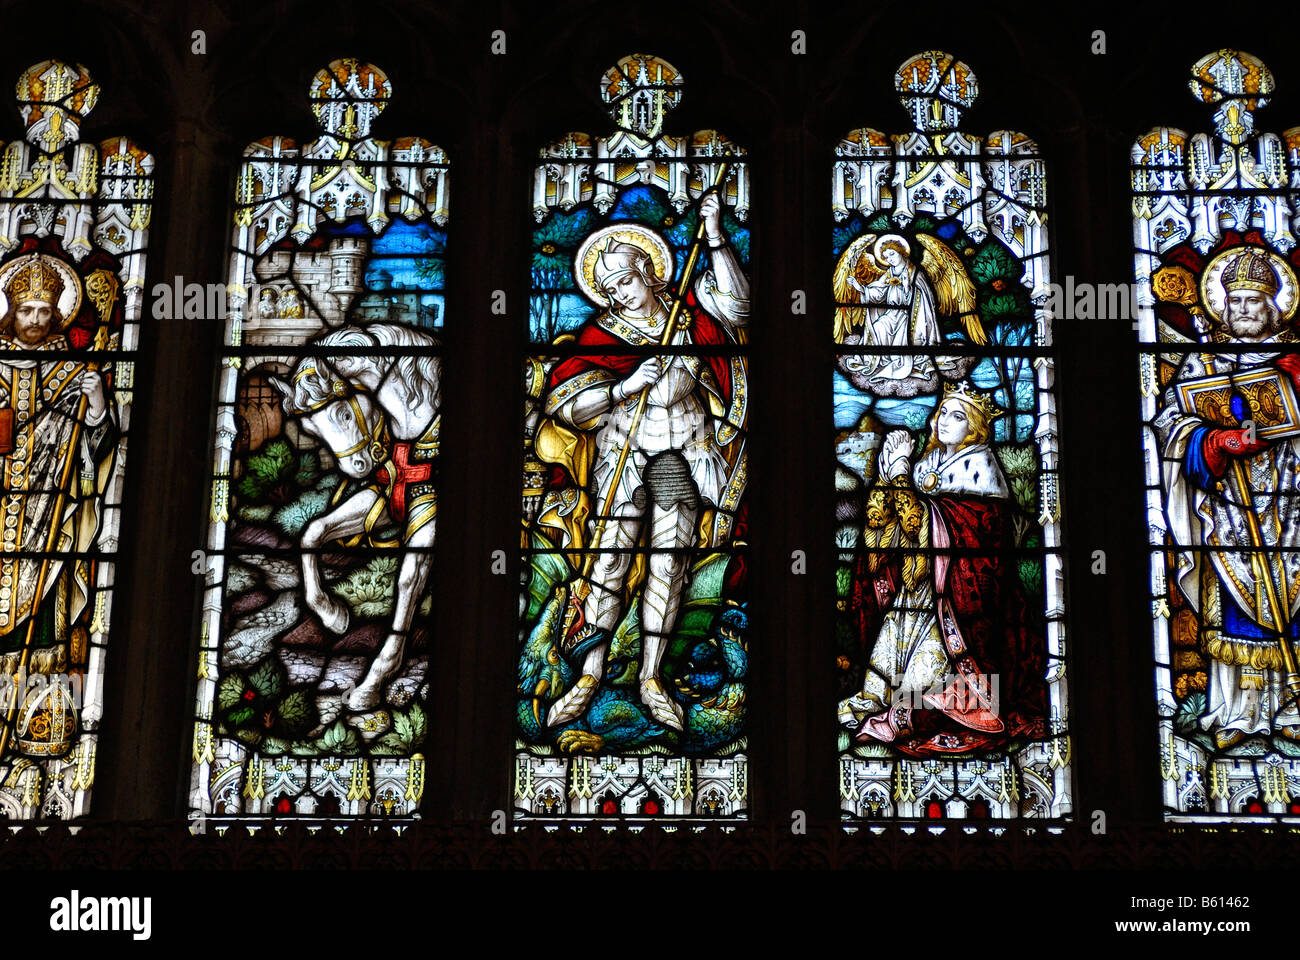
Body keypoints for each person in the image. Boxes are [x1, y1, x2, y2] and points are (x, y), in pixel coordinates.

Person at [539, 193, 748, 731]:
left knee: (667, 565)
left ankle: (650, 677)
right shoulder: (600, 336)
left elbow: (744, 306)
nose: (618, 295)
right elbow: (566, 404)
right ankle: (589, 675)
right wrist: (626, 385)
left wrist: (716, 235)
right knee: (608, 563)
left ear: (652, 271)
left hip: (685, 451)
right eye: (608, 289)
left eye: (626, 280)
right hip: (623, 454)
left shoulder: (692, 314)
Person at [838, 382, 1046, 755]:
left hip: (955, 601)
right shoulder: (928, 465)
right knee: (883, 674)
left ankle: (907, 717)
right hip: (916, 590)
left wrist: (900, 478)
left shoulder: (981, 470)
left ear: (977, 429)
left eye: (958, 415)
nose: (944, 421)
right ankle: (874, 705)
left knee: (925, 683)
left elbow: (937, 525)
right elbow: (889, 522)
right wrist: (887, 481)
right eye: (942, 412)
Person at [1154, 248, 1300, 747]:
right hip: (1228, 507)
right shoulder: (1203, 360)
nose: (1241, 310)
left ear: (1274, 308)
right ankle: (1239, 713)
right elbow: (1173, 427)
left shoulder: (1295, 358)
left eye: (1253, 302)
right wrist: (1219, 442)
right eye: (1233, 301)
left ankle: (1290, 709)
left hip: (1291, 502)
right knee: (1235, 607)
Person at [0, 253, 114, 667]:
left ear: (57, 316)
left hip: (49, 509)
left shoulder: (71, 372)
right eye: (26, 310)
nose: (34, 319)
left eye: (44, 310)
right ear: (11, 312)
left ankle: (37, 676)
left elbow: (98, 450)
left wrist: (97, 402)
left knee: (47, 584)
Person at [842, 236, 941, 386]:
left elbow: (924, 297)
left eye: (892, 254)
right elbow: (878, 292)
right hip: (892, 314)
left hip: (908, 316)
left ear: (901, 252)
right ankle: (882, 361)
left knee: (902, 337)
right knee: (878, 327)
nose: (890, 259)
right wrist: (860, 288)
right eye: (887, 257)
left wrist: (908, 288)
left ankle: (899, 362)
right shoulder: (889, 273)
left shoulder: (915, 273)